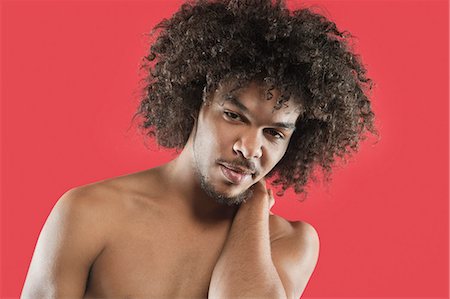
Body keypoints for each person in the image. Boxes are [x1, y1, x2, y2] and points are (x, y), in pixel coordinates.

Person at [21, 0, 378, 298]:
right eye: (234, 116)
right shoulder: (89, 213)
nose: (249, 148)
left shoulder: (288, 243)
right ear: (196, 102)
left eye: (273, 133)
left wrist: (253, 207)